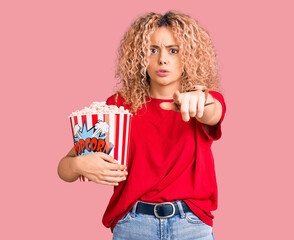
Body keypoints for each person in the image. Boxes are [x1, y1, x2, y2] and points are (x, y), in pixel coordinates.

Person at [57, 11, 226, 240]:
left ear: (190, 56)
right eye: (152, 50)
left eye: (173, 50)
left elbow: (212, 113)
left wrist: (199, 99)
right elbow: (64, 168)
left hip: (191, 225)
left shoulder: (204, 99)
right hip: (133, 226)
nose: (162, 59)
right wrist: (78, 165)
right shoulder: (117, 107)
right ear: (139, 56)